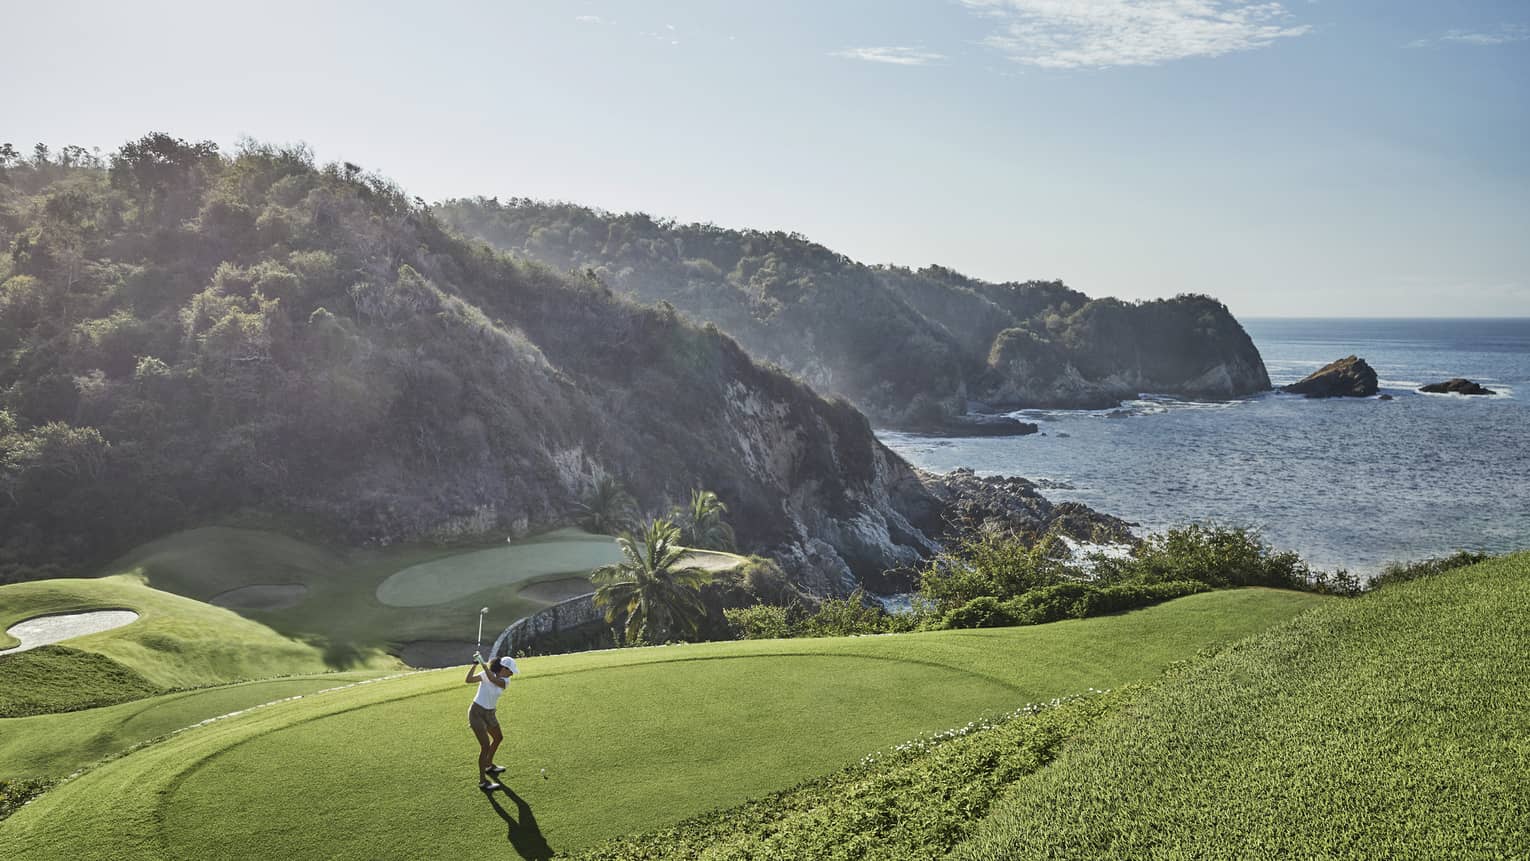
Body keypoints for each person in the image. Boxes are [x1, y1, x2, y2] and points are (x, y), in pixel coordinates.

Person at [466, 653, 517, 790]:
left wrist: (483, 662)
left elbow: (493, 680)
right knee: (485, 746)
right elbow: (468, 679)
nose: (512, 674)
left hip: (490, 713)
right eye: (511, 671)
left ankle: (489, 764)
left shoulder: (505, 681)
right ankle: (483, 781)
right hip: (476, 713)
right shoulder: (485, 674)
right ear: (504, 668)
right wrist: (475, 664)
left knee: (498, 737)